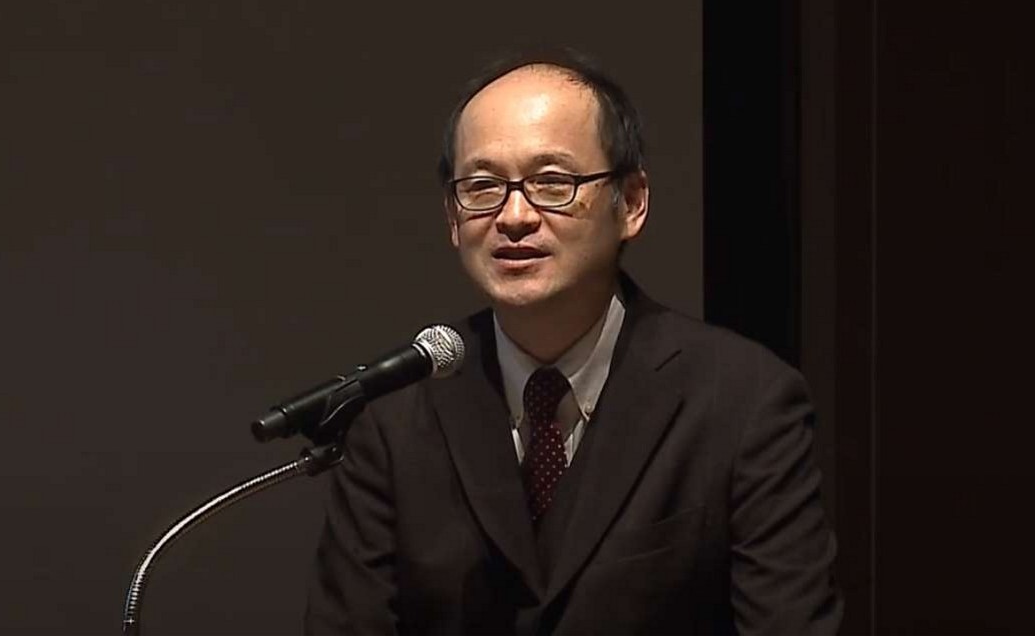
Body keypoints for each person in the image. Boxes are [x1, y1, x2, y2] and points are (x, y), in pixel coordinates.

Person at [304, 49, 843, 635]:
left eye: (552, 183)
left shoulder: (743, 400)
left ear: (631, 203)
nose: (514, 216)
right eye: (482, 186)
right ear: (453, 219)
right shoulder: (394, 413)